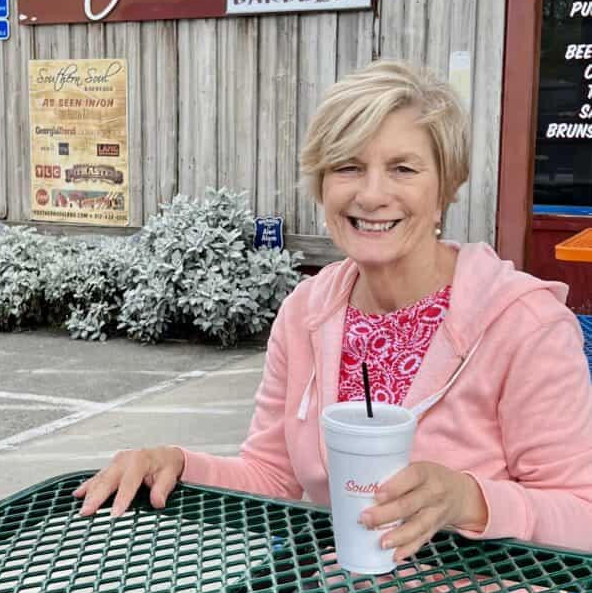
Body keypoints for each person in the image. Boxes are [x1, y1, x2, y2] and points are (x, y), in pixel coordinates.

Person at [74, 61, 592, 561]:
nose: (371, 194)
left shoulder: (526, 325)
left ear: (445, 190)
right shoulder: (306, 313)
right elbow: (272, 476)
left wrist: (472, 500)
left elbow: (582, 516)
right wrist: (176, 463)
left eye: (403, 169)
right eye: (347, 167)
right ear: (322, 187)